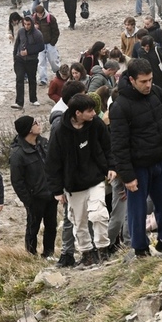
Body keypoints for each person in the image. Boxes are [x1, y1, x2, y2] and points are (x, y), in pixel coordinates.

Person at [109, 58, 162, 256]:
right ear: (132, 80)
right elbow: (118, 145)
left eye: (150, 79)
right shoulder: (120, 106)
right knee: (137, 210)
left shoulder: (157, 93)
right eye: (143, 81)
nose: (148, 84)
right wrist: (127, 176)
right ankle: (140, 249)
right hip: (138, 167)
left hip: (160, 160)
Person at [46, 94, 114, 267]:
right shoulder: (60, 130)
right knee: (79, 221)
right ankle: (86, 254)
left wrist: (111, 167)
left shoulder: (96, 124)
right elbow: (53, 161)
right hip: (73, 185)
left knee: (98, 214)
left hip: (95, 178)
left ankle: (103, 250)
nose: (94, 113)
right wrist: (57, 190)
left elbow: (108, 146)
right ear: (77, 113)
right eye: (90, 111)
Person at [9, 116, 57, 258]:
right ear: (29, 129)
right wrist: (28, 200)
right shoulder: (18, 154)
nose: (39, 124)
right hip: (35, 197)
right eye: (35, 123)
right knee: (33, 227)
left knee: (51, 226)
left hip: (51, 193)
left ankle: (48, 254)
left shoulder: (44, 143)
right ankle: (31, 254)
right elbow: (17, 181)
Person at [11, 15, 45, 109]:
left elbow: (41, 47)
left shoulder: (38, 34)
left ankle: (33, 99)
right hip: (19, 60)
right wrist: (15, 56)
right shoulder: (21, 31)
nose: (26, 26)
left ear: (32, 24)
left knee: (32, 79)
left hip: (32, 60)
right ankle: (19, 103)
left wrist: (29, 51)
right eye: (25, 24)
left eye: (28, 24)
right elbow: (17, 44)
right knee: (19, 79)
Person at [32, 5, 60, 86]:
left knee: (53, 60)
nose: (40, 15)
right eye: (38, 14)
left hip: (50, 43)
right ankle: (42, 79)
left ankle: (59, 74)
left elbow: (56, 31)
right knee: (41, 62)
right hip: (39, 44)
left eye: (41, 14)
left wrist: (53, 42)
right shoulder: (33, 19)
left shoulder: (50, 18)